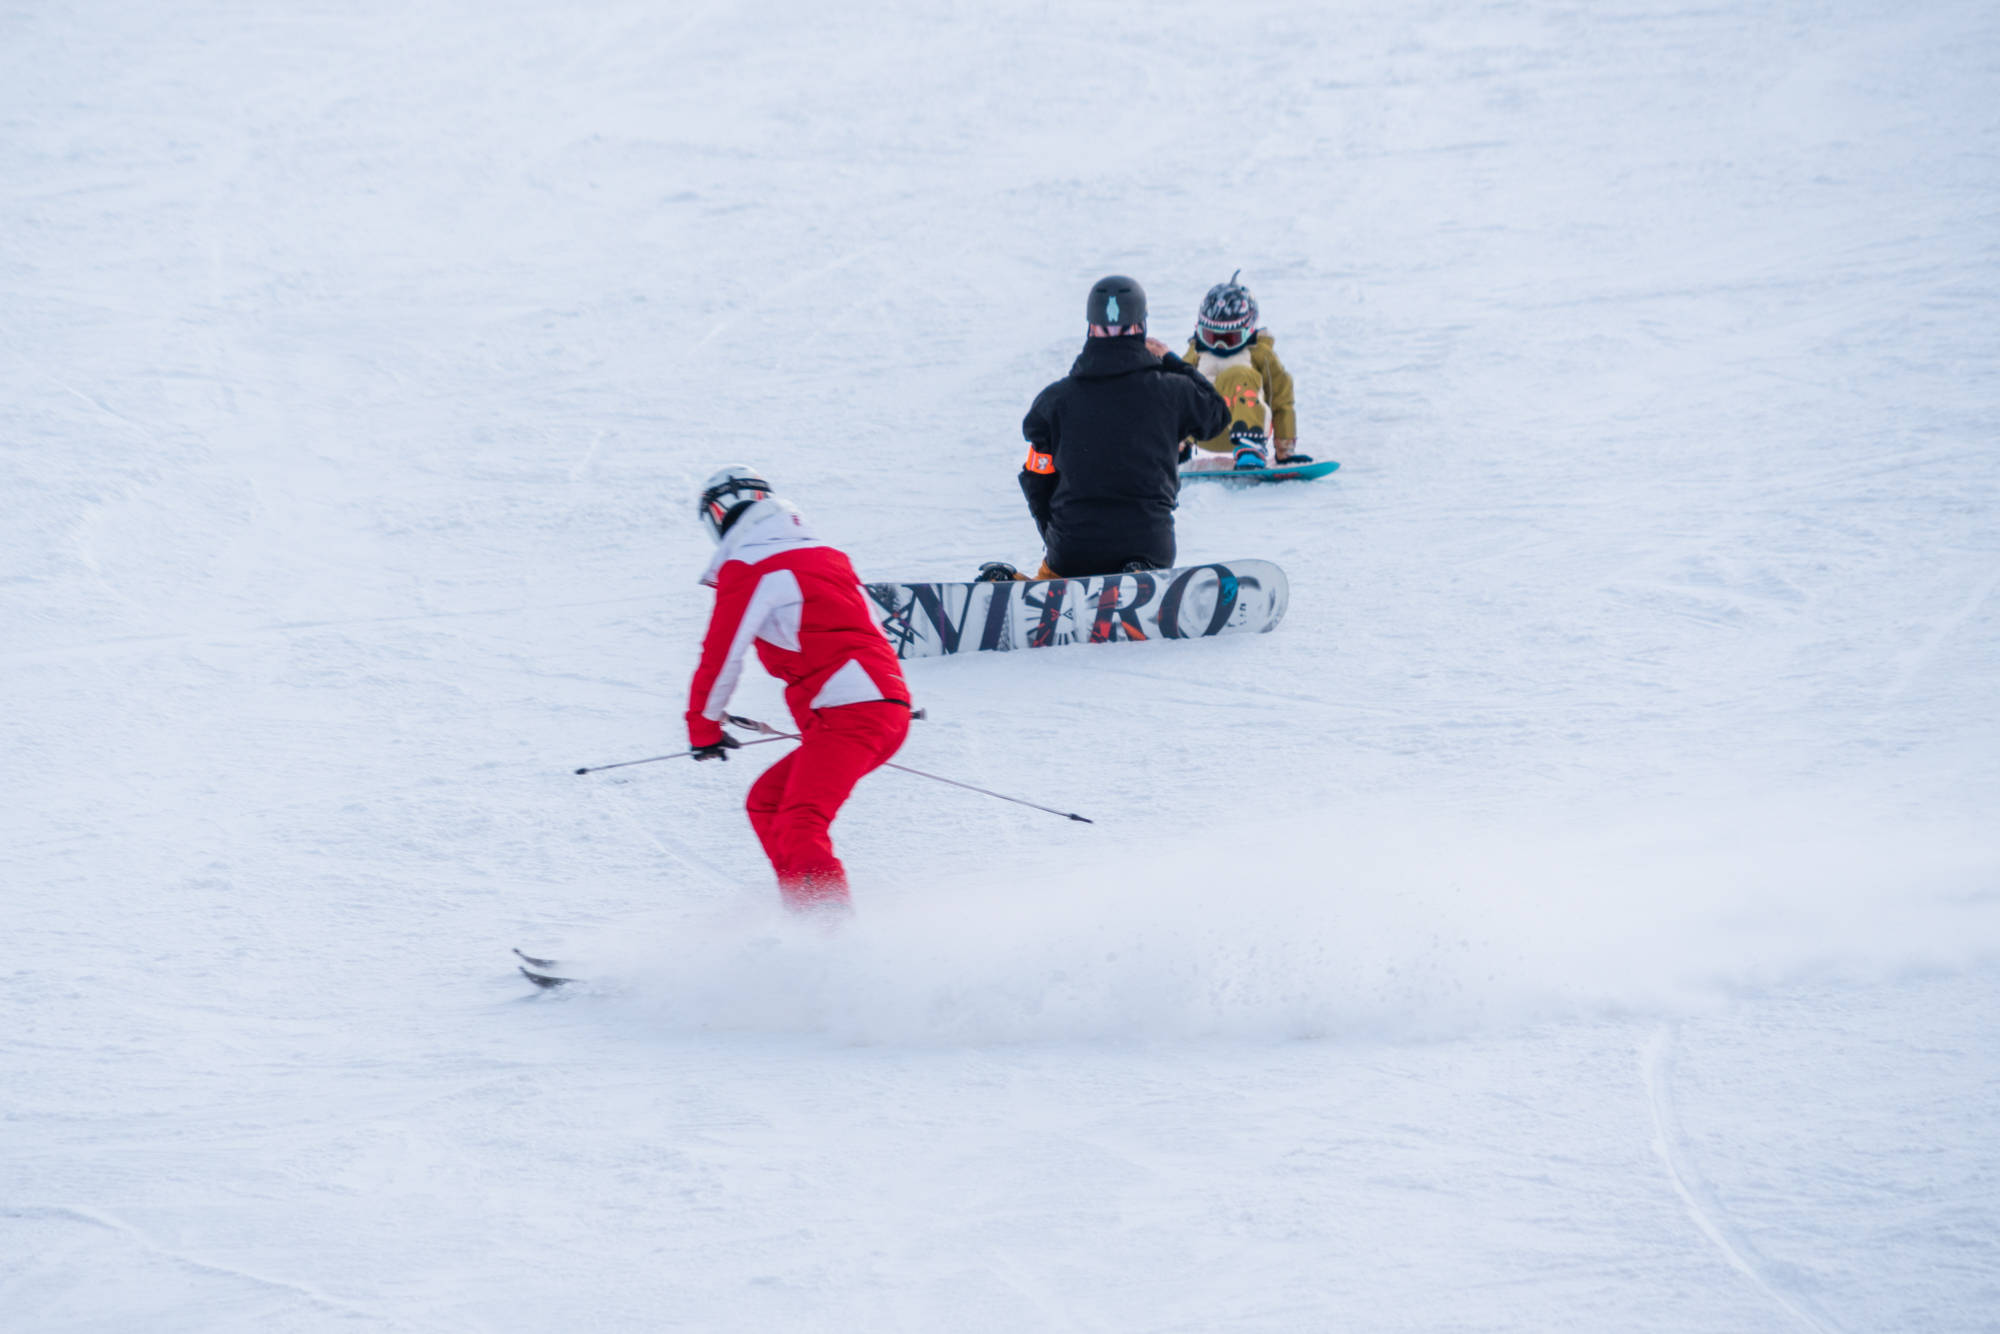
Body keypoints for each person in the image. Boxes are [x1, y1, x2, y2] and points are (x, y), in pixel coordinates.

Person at [685, 466, 913, 913]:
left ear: (717, 516)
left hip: (853, 713)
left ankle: (830, 942)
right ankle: (806, 920)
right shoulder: (824, 556)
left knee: (800, 823)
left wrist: (703, 728)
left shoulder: (751, 567)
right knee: (768, 802)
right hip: (875, 709)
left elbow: (722, 654)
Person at [1009, 275, 1230, 579]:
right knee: (1142, 554)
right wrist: (1171, 361)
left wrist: (1055, 537)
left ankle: (1024, 589)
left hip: (1074, 550)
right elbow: (1216, 416)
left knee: (1055, 575)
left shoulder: (1054, 402)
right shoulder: (1173, 391)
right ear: (1141, 327)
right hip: (1148, 545)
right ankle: (1138, 578)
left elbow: (1037, 480)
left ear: (1090, 328)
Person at [1176, 271, 1312, 470]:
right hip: (1202, 433)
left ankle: (1250, 448)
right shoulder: (1196, 353)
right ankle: (1176, 448)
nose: (1220, 345)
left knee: (1239, 375)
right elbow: (1173, 394)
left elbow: (1281, 399)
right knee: (1184, 382)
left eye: (1228, 338)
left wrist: (1285, 449)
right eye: (1212, 337)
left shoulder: (1260, 355)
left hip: (1244, 428)